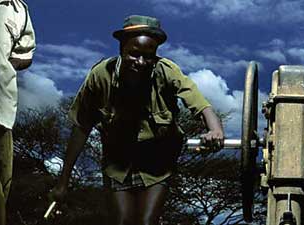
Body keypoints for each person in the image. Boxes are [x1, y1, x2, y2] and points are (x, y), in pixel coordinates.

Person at [49, 15, 224, 225]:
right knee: (122, 220)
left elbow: (200, 104)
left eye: (149, 56)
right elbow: (81, 127)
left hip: (158, 163)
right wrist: (63, 182)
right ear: (122, 49)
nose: (141, 62)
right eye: (134, 54)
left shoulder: (166, 71)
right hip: (118, 164)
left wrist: (215, 130)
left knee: (147, 222)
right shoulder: (100, 76)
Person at [0, 0, 35, 224]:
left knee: (2, 189)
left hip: (2, 113)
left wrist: (2, 69)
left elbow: (25, 54)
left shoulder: (18, 8)